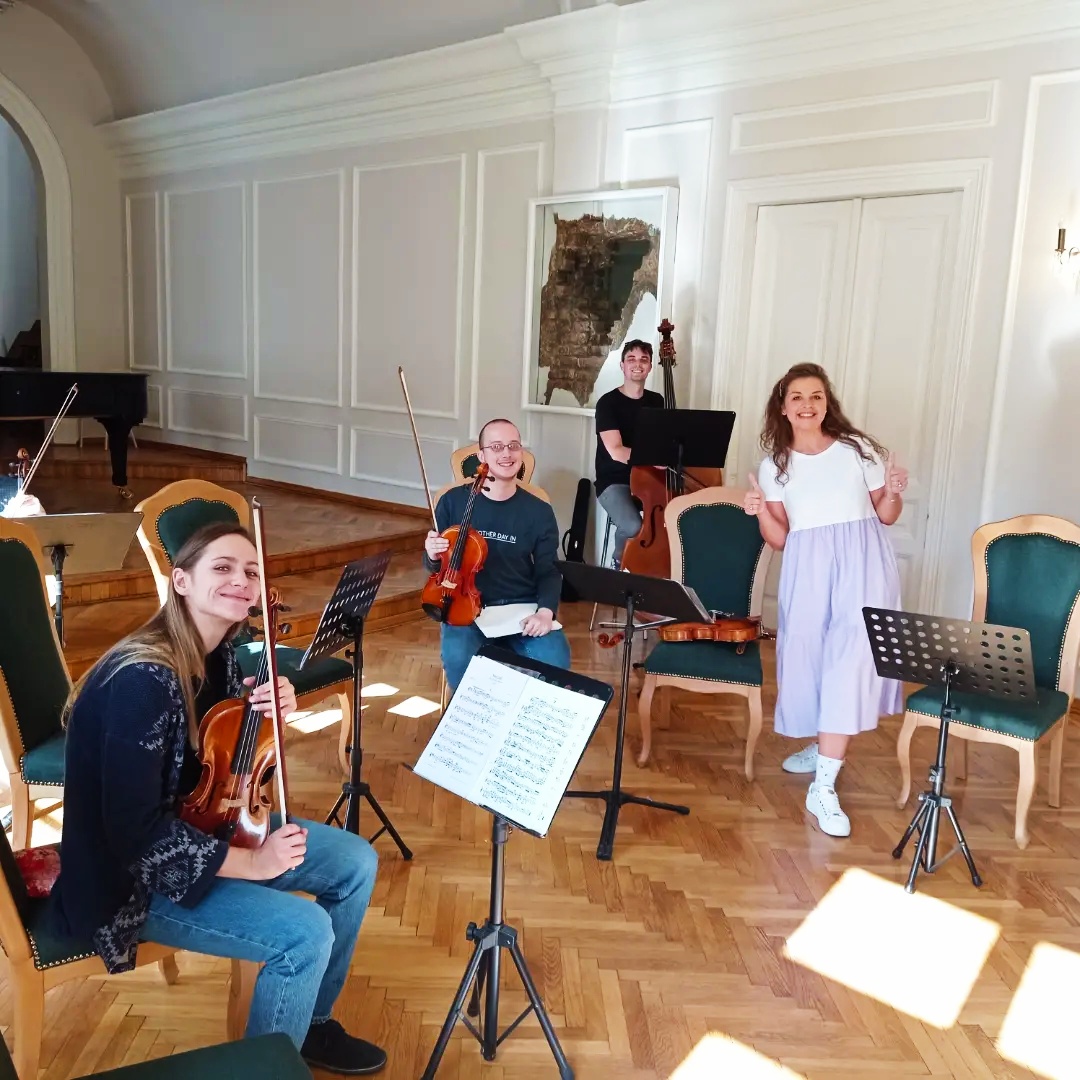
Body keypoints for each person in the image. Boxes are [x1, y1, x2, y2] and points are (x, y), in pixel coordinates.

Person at [48, 521, 387, 1075]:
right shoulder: (143, 681)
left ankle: (309, 1025)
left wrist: (265, 710)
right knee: (304, 934)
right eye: (222, 568)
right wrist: (253, 862)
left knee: (355, 860)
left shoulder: (217, 653)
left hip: (206, 824)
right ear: (181, 581)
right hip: (132, 882)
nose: (241, 581)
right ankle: (264, 1066)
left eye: (251, 572)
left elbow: (219, 754)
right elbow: (134, 836)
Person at [742, 363, 906, 838]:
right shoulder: (775, 466)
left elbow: (886, 515)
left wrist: (894, 492)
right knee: (811, 659)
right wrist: (759, 512)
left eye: (816, 396)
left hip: (863, 564)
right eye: (797, 397)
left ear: (827, 402)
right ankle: (823, 744)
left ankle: (824, 786)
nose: (807, 404)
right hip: (807, 567)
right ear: (783, 406)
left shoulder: (858, 450)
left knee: (849, 664)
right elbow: (779, 538)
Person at [425, 418, 571, 690]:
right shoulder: (453, 501)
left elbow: (549, 570)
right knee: (460, 662)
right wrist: (432, 554)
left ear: (521, 453)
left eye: (513, 446)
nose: (506, 453)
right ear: (482, 456)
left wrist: (545, 612)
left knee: (555, 663)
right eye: (496, 447)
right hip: (465, 609)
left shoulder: (539, 511)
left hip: (521, 607)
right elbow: (437, 568)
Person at [593, 340, 665, 566]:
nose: (637, 364)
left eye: (644, 359)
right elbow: (616, 451)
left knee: (672, 519)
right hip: (614, 481)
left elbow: (662, 441)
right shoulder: (607, 403)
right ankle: (620, 562)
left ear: (650, 366)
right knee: (633, 526)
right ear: (622, 366)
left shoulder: (657, 401)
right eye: (631, 359)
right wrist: (651, 458)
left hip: (649, 480)